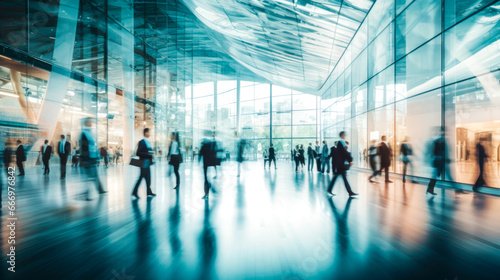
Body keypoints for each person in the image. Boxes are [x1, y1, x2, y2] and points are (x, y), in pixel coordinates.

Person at [80, 118, 107, 200]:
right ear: (86, 123)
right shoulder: (84, 133)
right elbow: (84, 147)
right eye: (89, 122)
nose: (91, 123)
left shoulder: (89, 132)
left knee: (94, 175)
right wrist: (86, 159)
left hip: (91, 157)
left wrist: (96, 156)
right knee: (90, 176)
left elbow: (93, 146)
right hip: (88, 158)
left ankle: (100, 190)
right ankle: (87, 194)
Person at [327, 131, 357, 197]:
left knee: (340, 178)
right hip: (341, 164)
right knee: (343, 178)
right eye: (345, 135)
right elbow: (345, 152)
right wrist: (350, 160)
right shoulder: (342, 142)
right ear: (343, 135)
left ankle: (349, 191)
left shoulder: (339, 142)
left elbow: (343, 152)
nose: (345, 136)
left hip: (339, 163)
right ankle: (350, 192)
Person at [132, 128, 156, 198]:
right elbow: (138, 153)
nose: (150, 133)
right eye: (149, 132)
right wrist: (148, 154)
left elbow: (149, 152)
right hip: (143, 163)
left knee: (148, 177)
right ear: (146, 133)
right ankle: (134, 191)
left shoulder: (148, 142)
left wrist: (151, 155)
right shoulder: (141, 142)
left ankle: (148, 191)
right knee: (142, 177)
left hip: (147, 162)